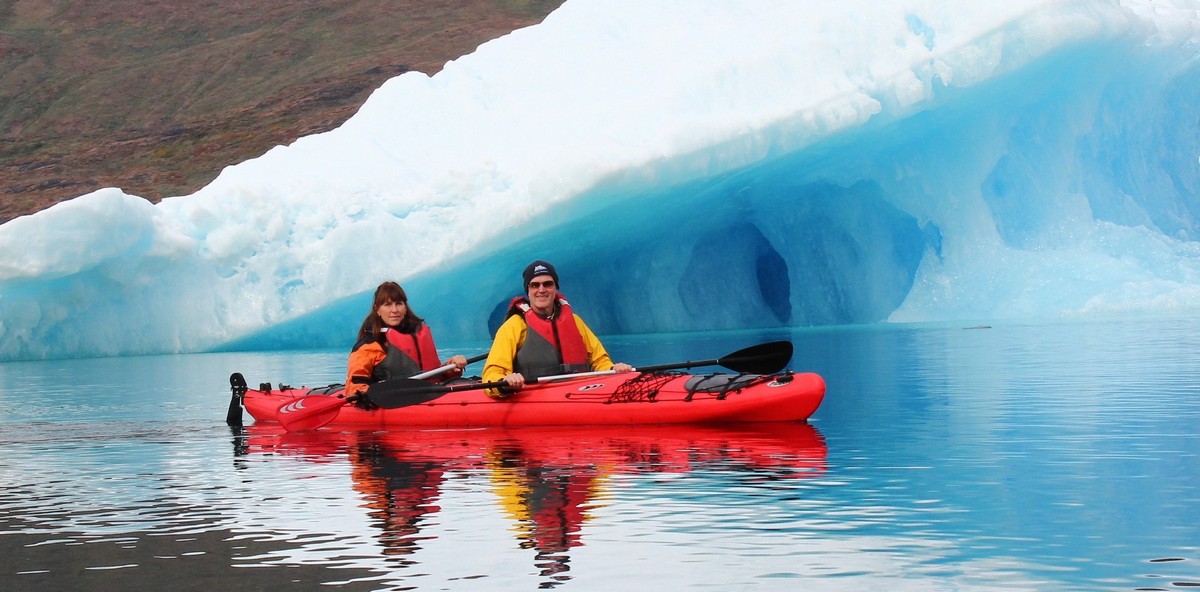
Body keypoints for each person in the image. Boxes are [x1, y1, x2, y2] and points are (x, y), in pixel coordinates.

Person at [483, 260, 632, 398]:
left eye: (547, 284)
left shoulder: (575, 321)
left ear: (555, 288)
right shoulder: (514, 326)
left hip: (581, 392)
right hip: (535, 398)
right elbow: (492, 374)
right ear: (528, 291)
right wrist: (505, 381)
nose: (541, 290)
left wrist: (613, 368)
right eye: (535, 285)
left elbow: (600, 361)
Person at [345, 281, 467, 397]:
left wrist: (451, 367)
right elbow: (355, 385)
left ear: (405, 307)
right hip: (393, 401)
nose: (394, 310)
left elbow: (436, 376)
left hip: (430, 393)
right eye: (387, 305)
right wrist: (371, 395)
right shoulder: (368, 345)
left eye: (399, 303)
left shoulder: (417, 334)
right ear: (377, 309)